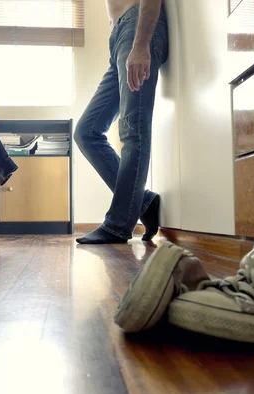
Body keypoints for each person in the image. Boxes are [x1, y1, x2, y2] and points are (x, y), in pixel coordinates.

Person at [74, 0, 169, 245]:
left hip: (135, 27)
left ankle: (118, 224)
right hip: (119, 37)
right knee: (86, 131)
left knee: (132, 129)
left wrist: (140, 44)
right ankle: (144, 203)